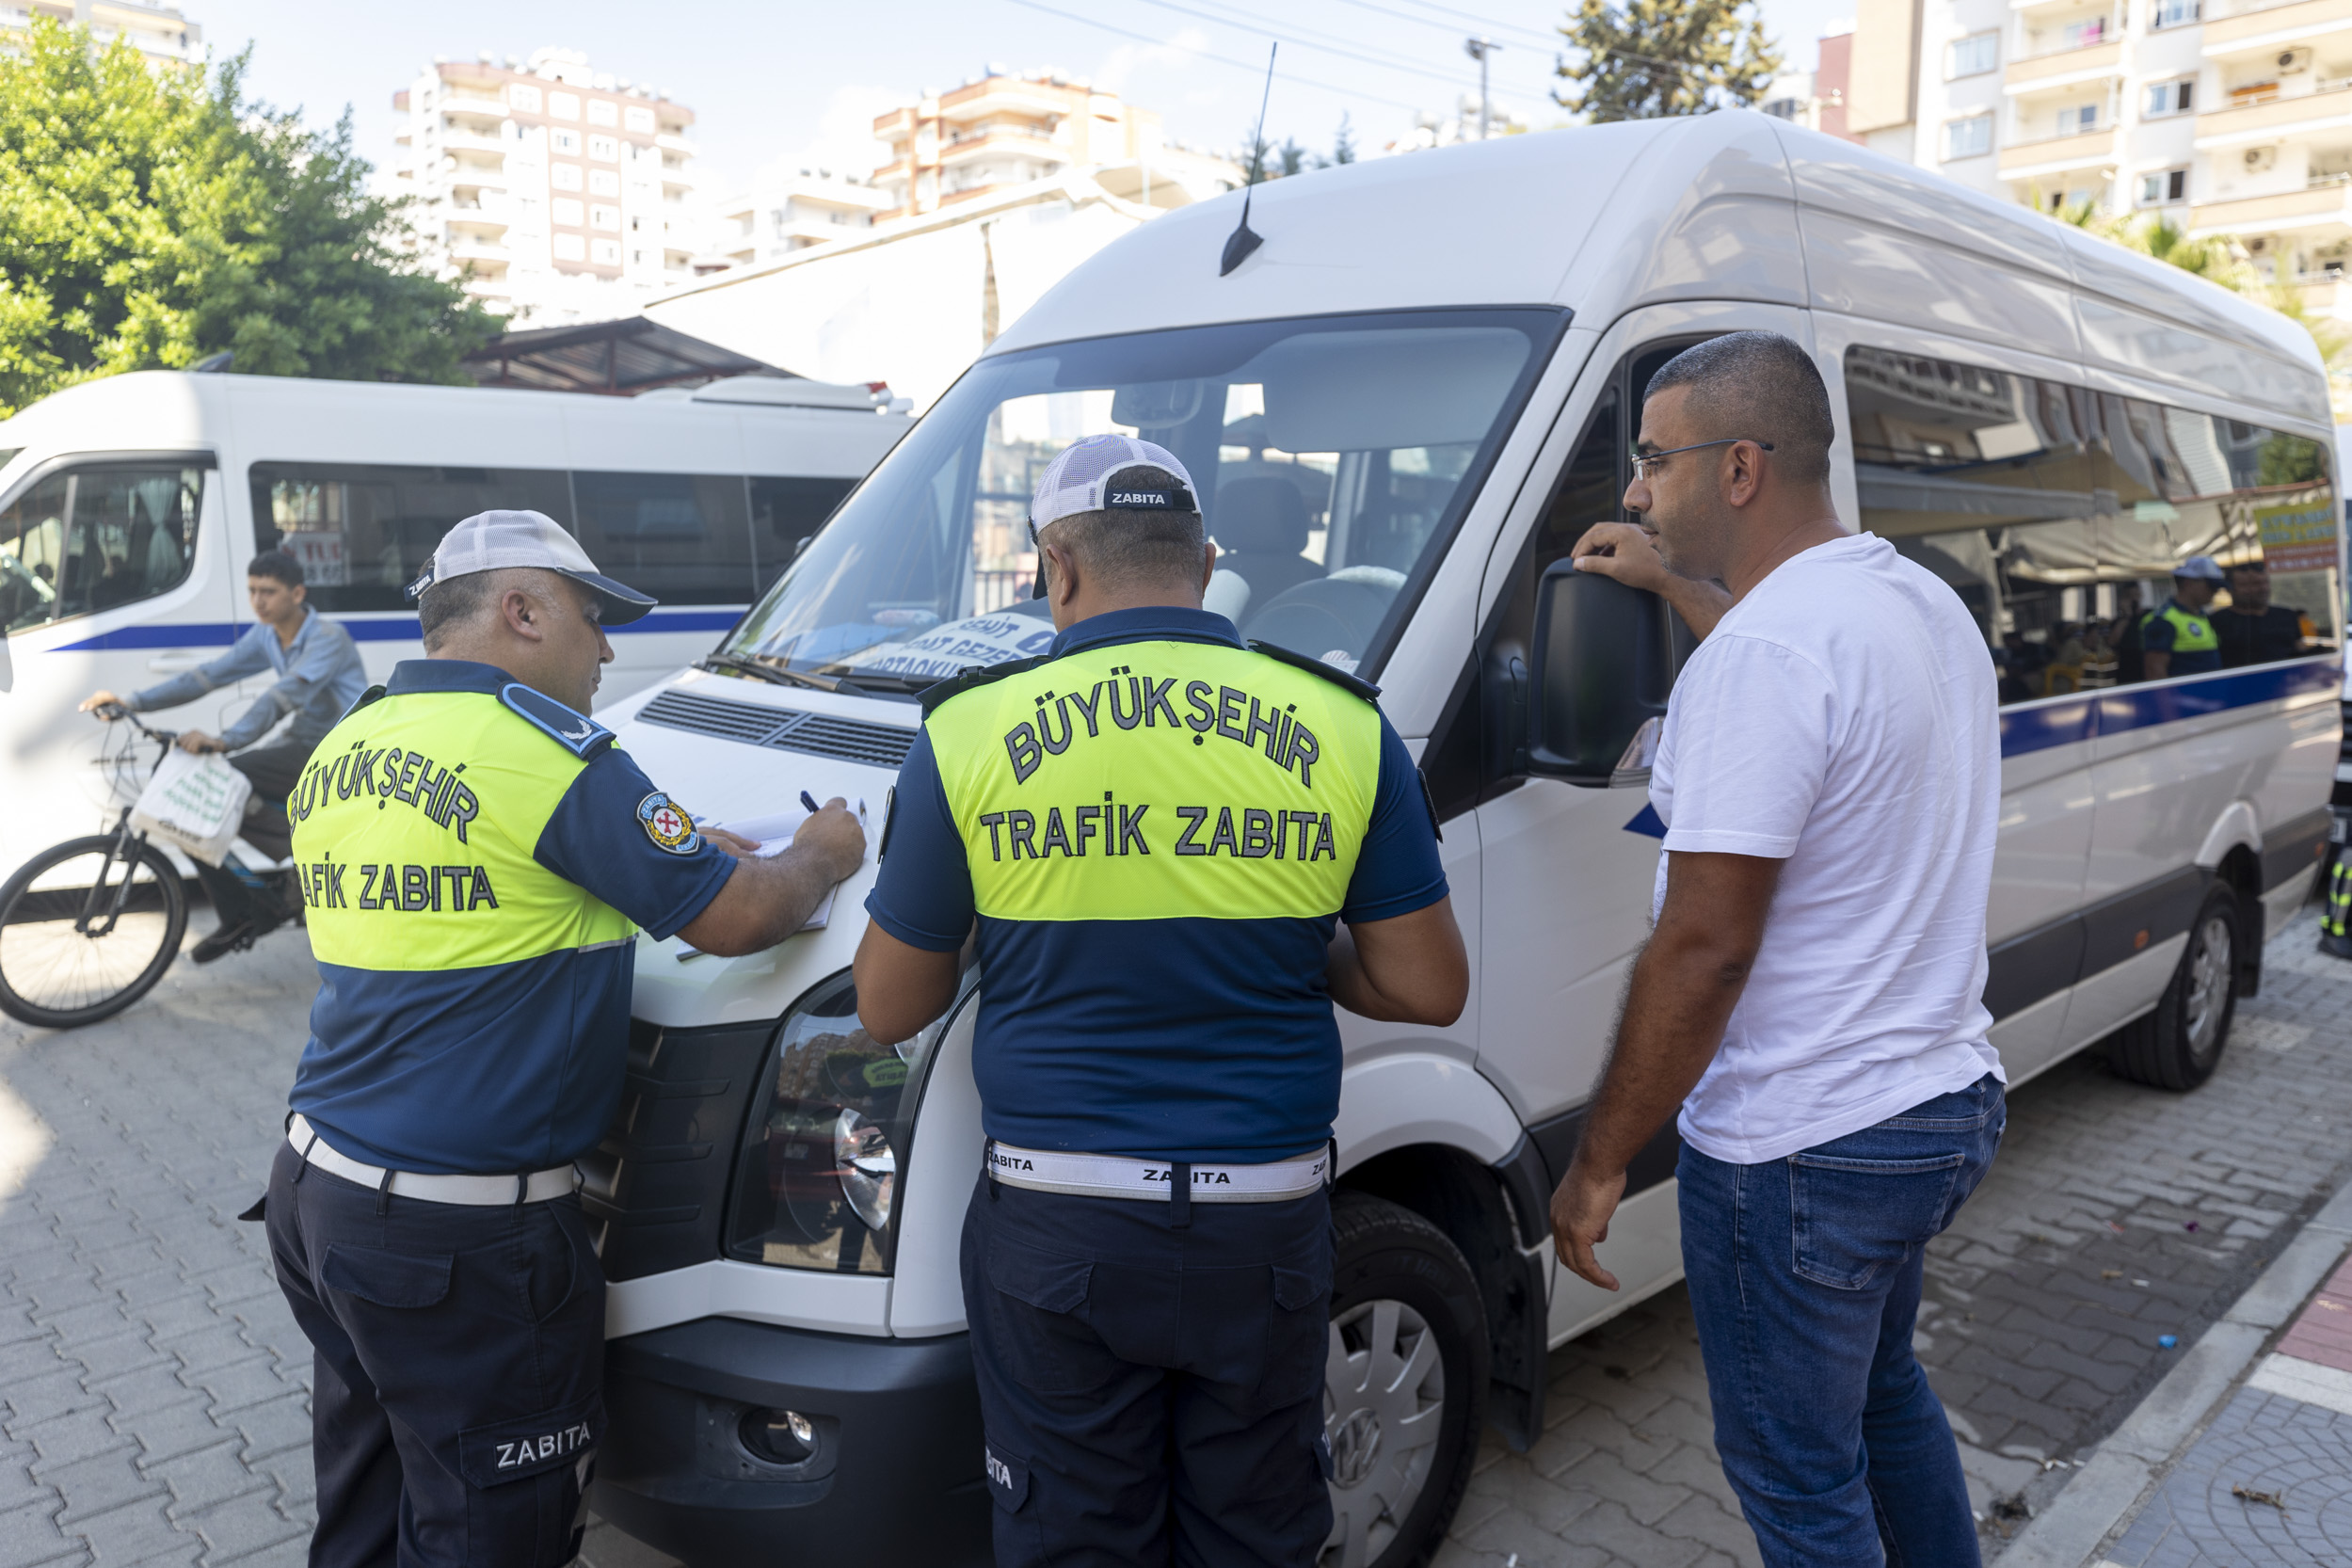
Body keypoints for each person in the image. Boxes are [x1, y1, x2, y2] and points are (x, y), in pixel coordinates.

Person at [852, 435, 1466, 1568]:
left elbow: (889, 1007)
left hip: (1060, 1227)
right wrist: (1289, 940)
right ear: (1206, 561)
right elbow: (1427, 986)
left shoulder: (970, 733)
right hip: (1263, 1231)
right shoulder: (1340, 722)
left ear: (1057, 568)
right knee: (1255, 1536)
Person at [257, 511, 867, 1568]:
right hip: (459, 1249)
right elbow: (738, 920)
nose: (609, 651)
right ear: (522, 611)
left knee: (362, 1505)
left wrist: (663, 858)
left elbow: (482, 895)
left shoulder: (352, 740)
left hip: (320, 1197)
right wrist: (819, 851)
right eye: (595, 618)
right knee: (493, 1537)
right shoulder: (546, 750)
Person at [1554, 332, 2004, 1567]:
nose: (1635, 488)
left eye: (1652, 458)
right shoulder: (1908, 602)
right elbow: (1793, 666)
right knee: (1879, 1396)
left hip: (1799, 1145)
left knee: (1798, 1485)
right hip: (1930, 1101)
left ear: (1738, 466)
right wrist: (1671, 586)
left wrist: (1596, 1160)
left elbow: (1701, 950)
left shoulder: (1763, 658)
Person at [81, 550, 367, 961]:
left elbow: (283, 696)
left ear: (297, 593)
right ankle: (256, 904)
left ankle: (303, 870)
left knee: (222, 779)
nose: (258, 601)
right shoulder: (267, 635)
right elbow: (210, 676)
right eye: (252, 591)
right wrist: (133, 702)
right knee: (211, 789)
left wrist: (227, 739)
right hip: (304, 741)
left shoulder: (327, 638)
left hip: (343, 746)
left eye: (268, 591)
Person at [2138, 555, 2226, 680]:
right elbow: (2155, 674)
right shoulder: (2163, 621)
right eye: (2211, 586)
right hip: (2184, 699)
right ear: (2188, 583)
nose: (2215, 591)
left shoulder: (2200, 616)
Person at [2215, 559, 2312, 668]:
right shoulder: (2217, 622)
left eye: (2265, 582)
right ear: (2230, 589)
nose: (2263, 588)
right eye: (2254, 584)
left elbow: (2300, 649)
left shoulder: (2286, 615)